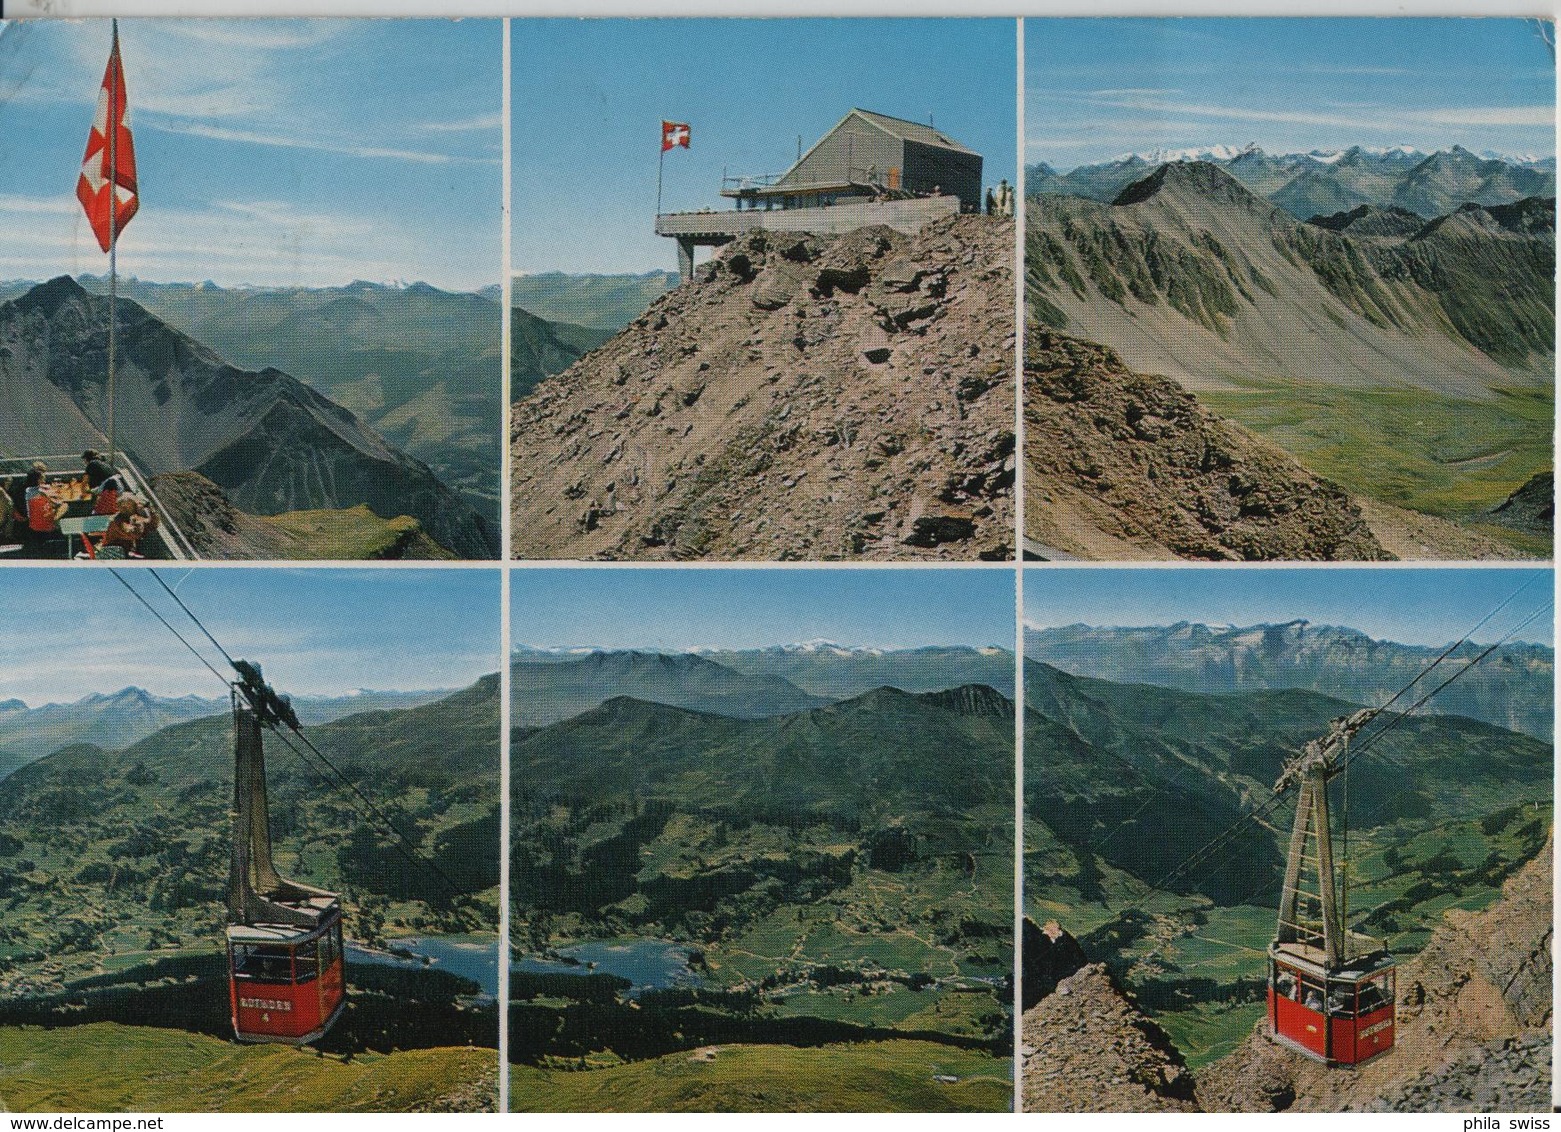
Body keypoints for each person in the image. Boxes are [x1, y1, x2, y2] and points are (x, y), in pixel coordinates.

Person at [101, 493, 159, 558]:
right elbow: (134, 533)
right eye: (133, 505)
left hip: (129, 549)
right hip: (114, 552)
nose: (136, 506)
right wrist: (136, 521)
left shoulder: (133, 515)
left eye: (135, 505)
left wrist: (148, 512)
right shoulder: (117, 521)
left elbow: (152, 525)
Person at [82, 449, 123, 516]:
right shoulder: (104, 464)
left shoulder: (92, 464)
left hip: (107, 491)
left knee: (99, 512)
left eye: (84, 460)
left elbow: (85, 480)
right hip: (116, 488)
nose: (84, 462)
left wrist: (83, 492)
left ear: (87, 459)